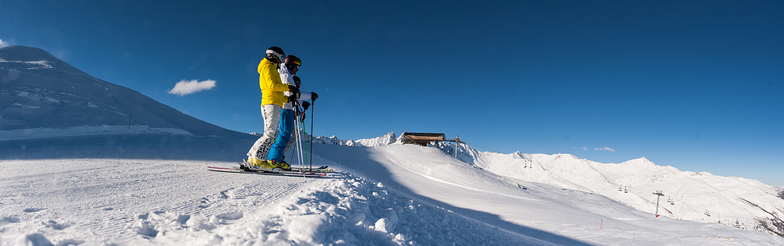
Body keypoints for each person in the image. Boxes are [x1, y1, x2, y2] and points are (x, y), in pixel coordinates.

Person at [245, 46, 299, 170]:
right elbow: (272, 86)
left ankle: (253, 157)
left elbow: (276, 92)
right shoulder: (268, 66)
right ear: (273, 55)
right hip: (271, 103)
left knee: (270, 134)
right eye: (280, 57)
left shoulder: (272, 67)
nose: (281, 61)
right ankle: (258, 160)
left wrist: (287, 99)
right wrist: (288, 87)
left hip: (274, 102)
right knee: (270, 135)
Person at [267, 56, 318, 169]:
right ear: (291, 65)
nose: (297, 69)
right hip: (285, 107)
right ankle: (274, 159)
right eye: (296, 66)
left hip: (288, 107)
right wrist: (310, 95)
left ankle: (277, 158)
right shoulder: (285, 76)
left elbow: (293, 96)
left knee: (286, 134)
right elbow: (290, 93)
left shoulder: (288, 75)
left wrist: (302, 103)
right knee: (284, 133)